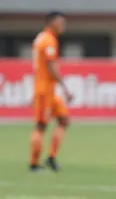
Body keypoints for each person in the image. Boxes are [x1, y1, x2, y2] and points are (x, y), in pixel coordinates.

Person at [30, 11, 73, 172]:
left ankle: (51, 157)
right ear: (52, 22)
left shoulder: (42, 38)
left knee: (64, 120)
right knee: (41, 126)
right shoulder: (48, 40)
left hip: (48, 90)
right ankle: (33, 164)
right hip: (44, 90)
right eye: (60, 22)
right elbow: (50, 67)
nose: (63, 26)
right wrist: (65, 87)